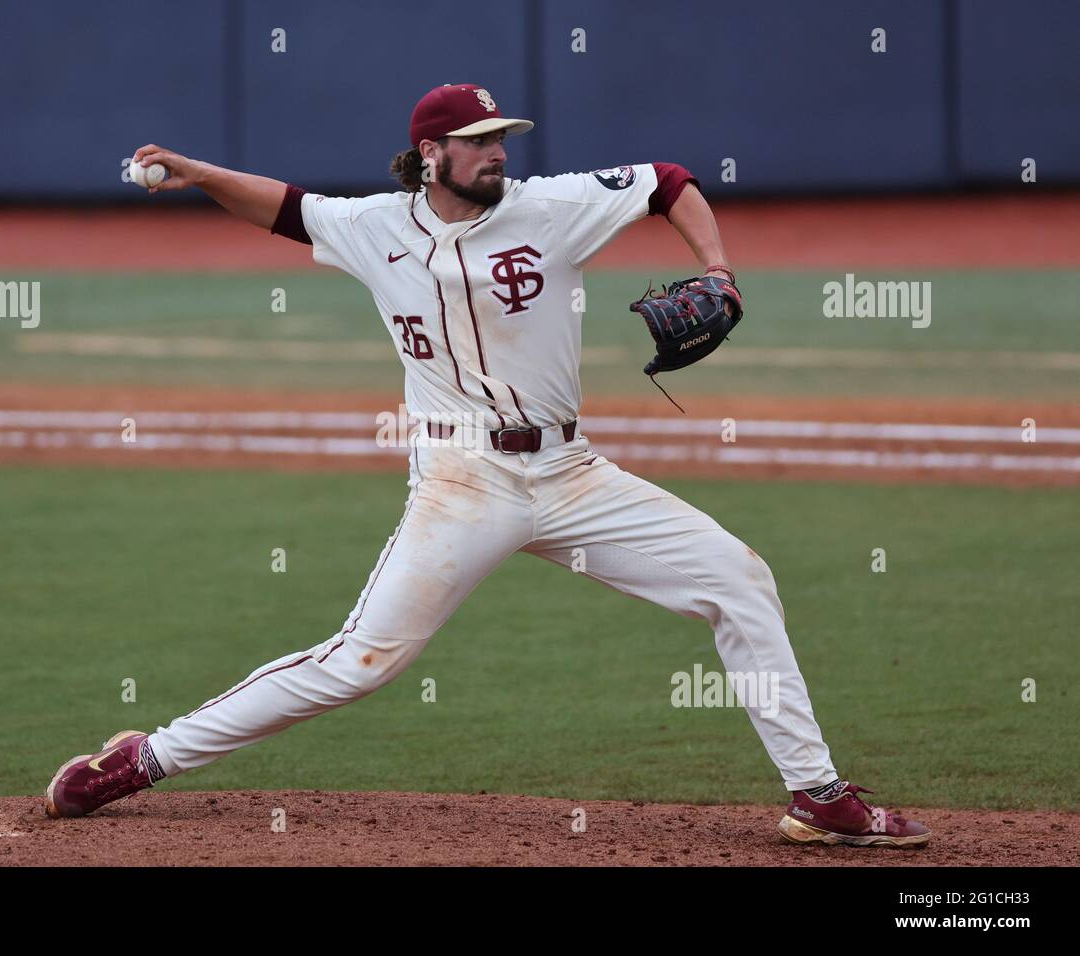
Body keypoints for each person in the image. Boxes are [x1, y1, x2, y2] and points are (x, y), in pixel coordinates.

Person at [45, 83, 930, 849]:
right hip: (464, 483)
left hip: (574, 475)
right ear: (431, 153)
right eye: (478, 141)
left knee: (738, 579)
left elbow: (668, 181)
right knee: (363, 662)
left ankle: (819, 798)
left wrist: (719, 268)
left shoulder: (550, 207)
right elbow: (285, 207)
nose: (497, 152)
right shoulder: (373, 226)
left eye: (502, 137)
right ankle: (143, 758)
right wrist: (199, 173)